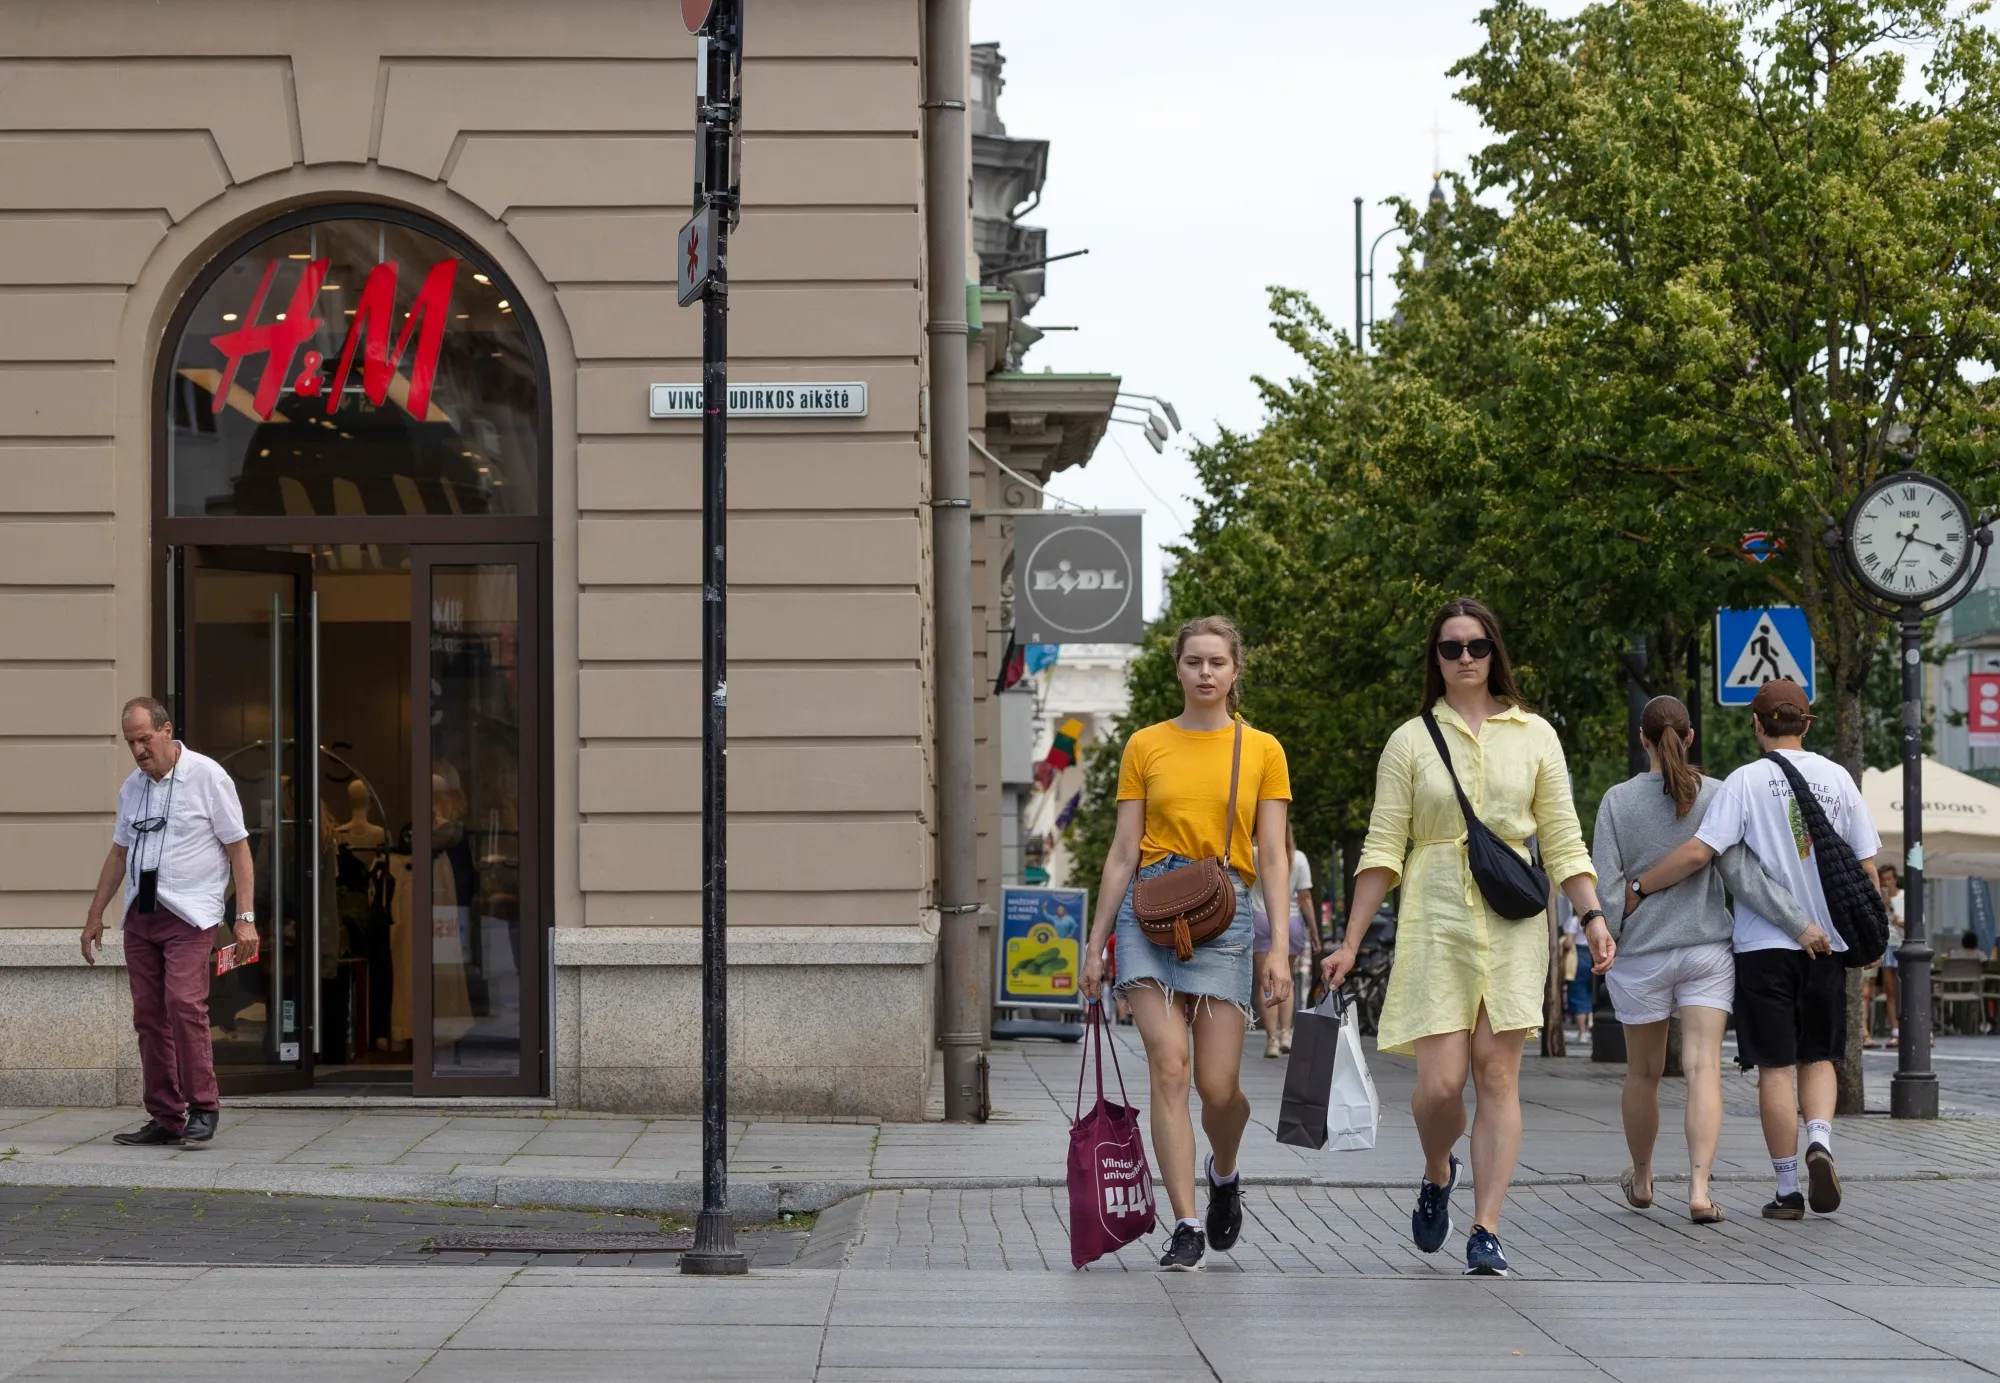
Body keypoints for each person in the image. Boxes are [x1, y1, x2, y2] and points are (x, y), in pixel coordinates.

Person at [1321, 599, 1612, 1277]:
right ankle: (1435, 1168)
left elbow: (1563, 837)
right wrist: (1349, 939)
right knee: (1440, 1085)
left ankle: (1486, 1227)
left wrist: (1593, 916)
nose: (1464, 658)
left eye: (1476, 645)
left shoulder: (1535, 733)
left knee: (1497, 1071)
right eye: (1449, 648)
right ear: (1435, 658)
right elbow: (1384, 845)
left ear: (1494, 651)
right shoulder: (1411, 739)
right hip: (1435, 916)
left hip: (1512, 917)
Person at [1081, 615, 1294, 1272]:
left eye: (1217, 662)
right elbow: (1122, 850)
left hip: (1225, 913)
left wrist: (1280, 947)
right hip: (1147, 910)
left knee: (1218, 1086)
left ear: (1235, 672)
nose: (1205, 672)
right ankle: (1184, 1221)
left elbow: (1275, 854)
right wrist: (1095, 945)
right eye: (1194, 660)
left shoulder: (1261, 749)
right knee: (1169, 1065)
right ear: (1177, 667)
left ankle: (1223, 1171)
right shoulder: (1146, 745)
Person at [1624, 678, 1870, 1221]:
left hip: (1763, 946)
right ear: (1807, 724)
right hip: (1828, 941)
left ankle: (1786, 1189)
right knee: (1820, 1056)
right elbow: (1867, 865)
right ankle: (1821, 1140)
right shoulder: (1839, 779)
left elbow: (1699, 853)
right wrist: (1870, 931)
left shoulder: (1744, 782)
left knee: (1776, 1067)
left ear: (1756, 725)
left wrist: (1638, 889)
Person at [1592, 695, 1814, 1224]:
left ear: (1642, 739)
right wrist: (1799, 924)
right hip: (1706, 950)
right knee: (1703, 1071)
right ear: (1690, 737)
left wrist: (1611, 936)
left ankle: (1642, 1177)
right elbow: (1742, 878)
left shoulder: (1616, 802)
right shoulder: (1717, 795)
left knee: (1642, 1073)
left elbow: (1605, 886)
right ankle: (1697, 1188)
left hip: (1640, 954)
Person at [80, 698, 256, 1147]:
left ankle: (204, 1106)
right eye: (130, 742)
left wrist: (245, 919)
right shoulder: (132, 788)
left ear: (166, 730)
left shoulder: (208, 776)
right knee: (148, 1017)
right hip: (142, 914)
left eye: (144, 739)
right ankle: (165, 1116)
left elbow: (239, 849)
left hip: (190, 914)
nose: (138, 749)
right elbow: (118, 854)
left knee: (183, 1004)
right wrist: (95, 914)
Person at [1252, 821, 1317, 1058]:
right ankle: (1286, 1033)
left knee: (1265, 983)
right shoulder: (1298, 858)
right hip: (1290, 922)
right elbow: (1305, 897)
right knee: (1285, 979)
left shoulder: (1254, 854)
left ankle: (1271, 1039)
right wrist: (1315, 931)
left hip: (1260, 920)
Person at [1876, 865, 1904, 1049]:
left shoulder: (1904, 897)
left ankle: (1917, 1029)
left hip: (1904, 945)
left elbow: (1913, 922)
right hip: (1887, 945)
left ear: (1895, 879)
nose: (1886, 883)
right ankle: (1895, 1030)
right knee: (1890, 990)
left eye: (1889, 879)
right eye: (1883, 879)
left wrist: (1890, 909)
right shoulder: (1878, 898)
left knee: (1907, 989)